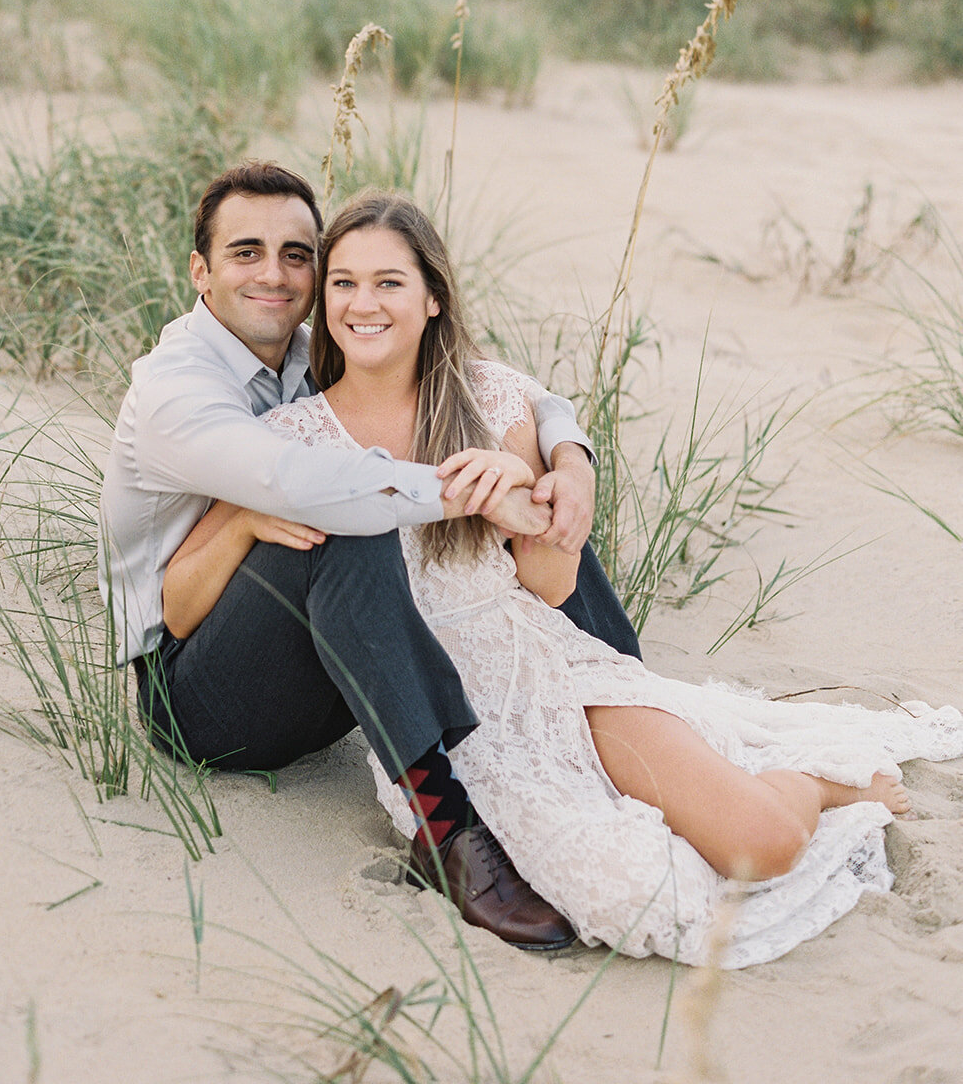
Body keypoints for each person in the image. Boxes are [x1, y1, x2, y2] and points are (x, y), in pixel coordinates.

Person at [182, 189, 963, 967]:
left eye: (390, 282)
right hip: (448, 710)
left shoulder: (492, 401)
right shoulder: (288, 438)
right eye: (345, 282)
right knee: (633, 893)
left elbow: (552, 586)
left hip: (548, 663)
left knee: (757, 844)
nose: (364, 303)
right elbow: (199, 597)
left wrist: (522, 497)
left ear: (432, 298)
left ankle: (817, 783)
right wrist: (251, 524)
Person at [98, 161, 640, 953]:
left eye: (297, 255)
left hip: (316, 666)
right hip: (197, 693)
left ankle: (624, 682)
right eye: (246, 252)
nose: (275, 276)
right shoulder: (175, 391)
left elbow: (494, 385)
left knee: (516, 514)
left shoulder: (315, 341)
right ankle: (448, 833)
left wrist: (566, 454)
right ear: (201, 271)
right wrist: (478, 492)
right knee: (346, 523)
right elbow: (297, 484)